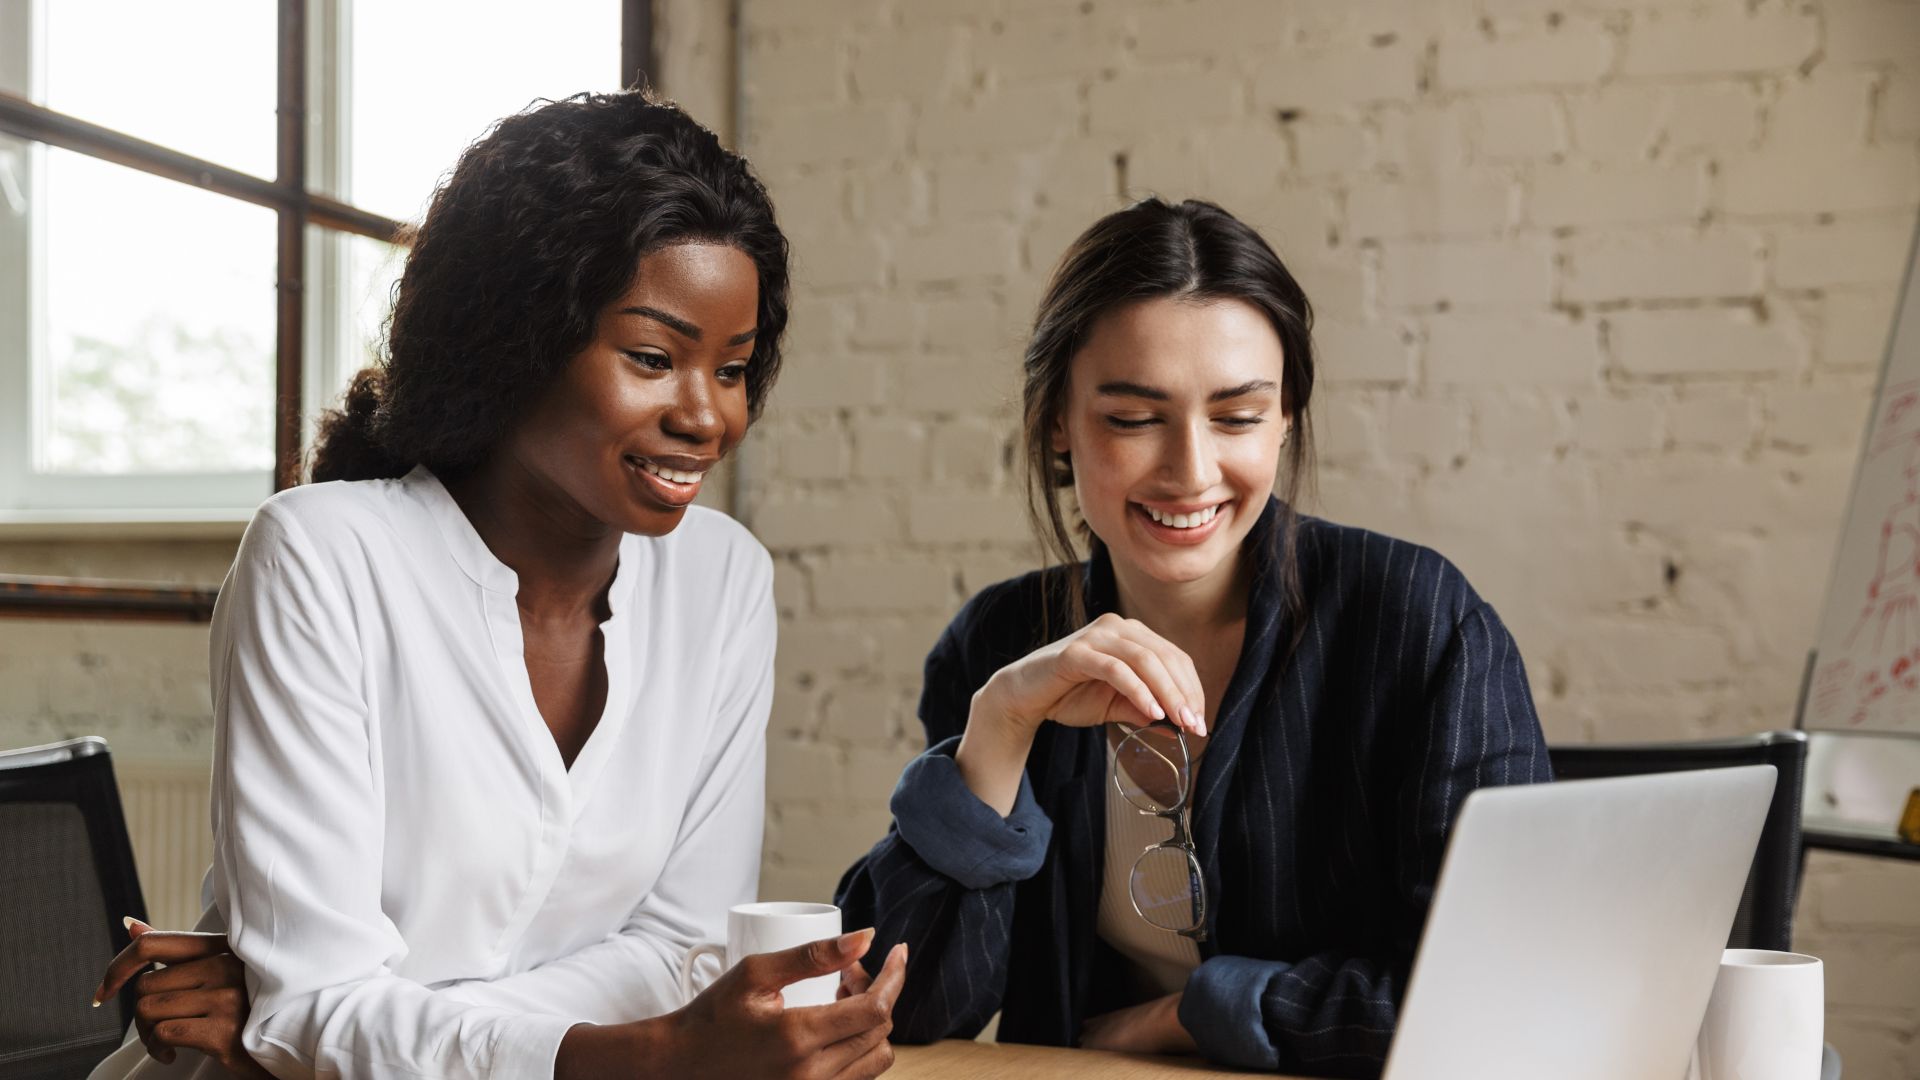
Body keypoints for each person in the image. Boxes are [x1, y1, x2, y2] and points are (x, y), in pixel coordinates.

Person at [86, 92, 904, 1080]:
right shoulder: (321, 559)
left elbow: (683, 950)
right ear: (518, 336)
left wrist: (343, 1017)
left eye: (732, 369)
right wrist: (655, 1046)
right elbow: (328, 1008)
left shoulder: (720, 581)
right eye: (653, 358)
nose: (707, 416)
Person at [832, 198, 1551, 1078]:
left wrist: (1190, 1015)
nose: (1192, 471)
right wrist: (1000, 731)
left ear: (1286, 417)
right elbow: (904, 1007)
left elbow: (1499, 989)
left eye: (1238, 417)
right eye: (1134, 419)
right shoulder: (1000, 641)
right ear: (1058, 420)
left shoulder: (1417, 623)